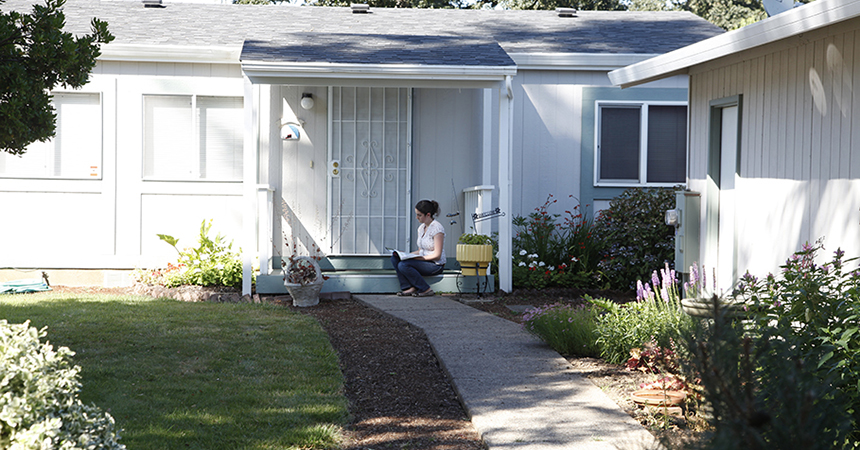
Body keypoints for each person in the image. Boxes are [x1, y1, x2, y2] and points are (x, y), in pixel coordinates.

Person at [391, 199, 446, 297]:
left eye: (419, 215)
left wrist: (416, 258)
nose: (417, 217)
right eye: (416, 214)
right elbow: (421, 250)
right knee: (395, 258)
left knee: (403, 265)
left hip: (435, 265)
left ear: (428, 215)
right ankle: (408, 287)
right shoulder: (421, 228)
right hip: (423, 261)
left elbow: (437, 256)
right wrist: (406, 255)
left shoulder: (437, 228)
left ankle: (425, 289)